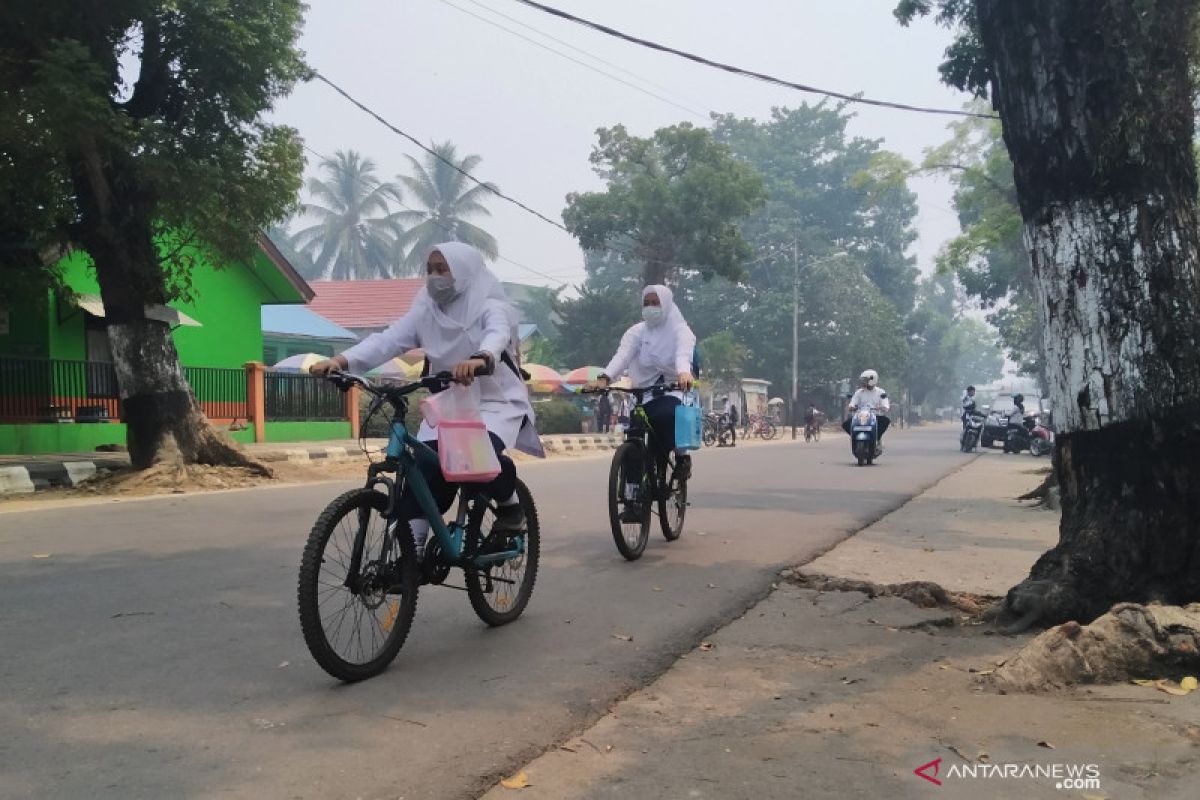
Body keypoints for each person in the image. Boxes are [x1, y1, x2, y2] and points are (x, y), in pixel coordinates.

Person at [309, 242, 544, 553]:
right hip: (450, 402)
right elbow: (387, 341)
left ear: (463, 271)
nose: (434, 276)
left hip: (494, 403)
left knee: (474, 460)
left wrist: (480, 358)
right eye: (429, 269)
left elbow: (497, 336)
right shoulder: (424, 312)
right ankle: (412, 552)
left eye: (442, 268)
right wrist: (341, 362)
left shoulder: (490, 308)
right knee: (422, 467)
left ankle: (511, 506)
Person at [589, 285, 696, 520]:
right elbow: (623, 356)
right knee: (633, 444)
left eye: (655, 302)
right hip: (643, 393)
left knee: (669, 416)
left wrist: (683, 373)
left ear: (666, 304)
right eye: (646, 303)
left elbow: (683, 354)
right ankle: (633, 499)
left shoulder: (681, 331)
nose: (650, 308)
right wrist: (605, 378)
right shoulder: (637, 332)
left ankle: (681, 458)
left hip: (673, 389)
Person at [842, 369, 891, 451]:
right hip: (860, 416)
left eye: (865, 380)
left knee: (885, 421)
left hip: (875, 416)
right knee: (846, 424)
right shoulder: (859, 392)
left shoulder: (880, 392)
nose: (863, 382)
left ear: (872, 380)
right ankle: (855, 437)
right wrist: (851, 407)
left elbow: (885, 405)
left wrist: (882, 407)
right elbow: (853, 402)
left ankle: (877, 438)